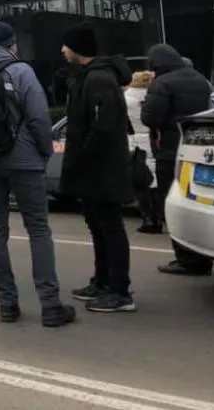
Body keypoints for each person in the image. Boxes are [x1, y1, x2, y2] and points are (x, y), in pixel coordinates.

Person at [0, 22, 73, 327]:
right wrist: (44, 151)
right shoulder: (21, 71)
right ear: (12, 45)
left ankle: (7, 304)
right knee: (38, 230)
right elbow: (38, 117)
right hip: (24, 160)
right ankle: (50, 306)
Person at [60, 23, 135, 314]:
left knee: (110, 227)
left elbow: (103, 126)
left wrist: (84, 155)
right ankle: (102, 281)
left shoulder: (99, 79)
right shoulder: (89, 77)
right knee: (98, 227)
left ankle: (119, 290)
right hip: (93, 170)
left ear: (77, 47)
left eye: (66, 45)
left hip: (103, 169)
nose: (62, 50)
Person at [141, 43, 214, 276]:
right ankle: (203, 256)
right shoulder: (200, 79)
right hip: (199, 148)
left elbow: (150, 119)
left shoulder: (162, 84)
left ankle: (185, 258)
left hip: (169, 150)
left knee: (172, 202)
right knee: (197, 201)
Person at [126, 71, 160, 234]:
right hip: (154, 140)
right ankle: (158, 215)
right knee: (156, 179)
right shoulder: (155, 98)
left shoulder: (126, 99)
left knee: (141, 181)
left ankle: (148, 217)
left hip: (134, 142)